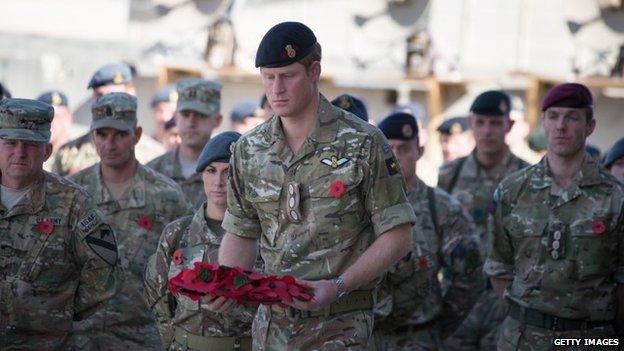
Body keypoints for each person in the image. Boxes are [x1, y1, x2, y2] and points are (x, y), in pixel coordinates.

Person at [210, 21, 416, 349]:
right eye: (268, 77)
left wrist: (338, 286)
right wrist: (227, 280)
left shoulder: (363, 142)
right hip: (273, 328)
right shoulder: (249, 150)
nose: (276, 89)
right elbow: (241, 231)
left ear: (314, 71)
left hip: (340, 326)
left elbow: (398, 235)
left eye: (287, 76)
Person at [485, 82, 624, 349]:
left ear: (590, 126)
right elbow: (499, 268)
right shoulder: (512, 191)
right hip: (523, 338)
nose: (561, 125)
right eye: (553, 116)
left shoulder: (615, 198)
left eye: (572, 117)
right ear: (543, 123)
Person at [69, 92, 191, 350]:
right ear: (93, 136)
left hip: (143, 336)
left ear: (136, 135)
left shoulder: (166, 197)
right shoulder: (73, 193)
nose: (109, 144)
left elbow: (184, 268)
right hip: (82, 336)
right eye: (102, 135)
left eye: (120, 134)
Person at [0, 98, 119, 350]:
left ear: (47, 151)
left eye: (31, 145)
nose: (19, 152)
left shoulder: (73, 202)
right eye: (10, 143)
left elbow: (106, 271)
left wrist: (60, 312)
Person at [374, 112, 483, 350]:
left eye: (403, 149)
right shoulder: (361, 206)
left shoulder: (442, 209)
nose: (395, 157)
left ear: (419, 151)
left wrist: (441, 323)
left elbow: (471, 274)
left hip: (419, 337)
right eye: (387, 149)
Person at [145, 131, 262, 350]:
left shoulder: (263, 235)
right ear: (202, 175)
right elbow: (157, 294)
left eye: (228, 172)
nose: (218, 181)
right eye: (211, 171)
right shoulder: (178, 233)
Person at [439, 90, 529, 350]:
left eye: (495, 123)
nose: (487, 131)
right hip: (458, 299)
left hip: (504, 300)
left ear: (509, 125)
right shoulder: (450, 174)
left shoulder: (527, 177)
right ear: (471, 124)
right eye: (481, 122)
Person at [51, 63, 165, 176]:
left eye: (113, 95)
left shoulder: (155, 154)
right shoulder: (69, 153)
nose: (106, 103)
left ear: (131, 94)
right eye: (100, 96)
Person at [148, 79, 223, 208]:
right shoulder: (153, 172)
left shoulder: (227, 174)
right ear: (176, 117)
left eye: (200, 115)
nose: (191, 123)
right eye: (185, 114)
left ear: (217, 120)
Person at [36, 90, 88, 171]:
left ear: (69, 118)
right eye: (44, 117)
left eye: (56, 116)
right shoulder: (32, 155)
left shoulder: (82, 153)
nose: (50, 122)